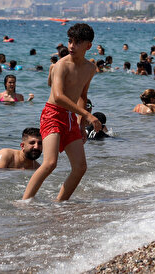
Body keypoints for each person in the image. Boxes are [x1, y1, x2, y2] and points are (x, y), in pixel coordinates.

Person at [23, 23, 101, 201]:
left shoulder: (90, 68)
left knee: (80, 167)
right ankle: (24, 201)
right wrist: (88, 115)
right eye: (70, 41)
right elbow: (58, 96)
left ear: (88, 46)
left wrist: (81, 123)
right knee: (50, 163)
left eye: (77, 42)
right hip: (52, 114)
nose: (72, 46)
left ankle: (60, 203)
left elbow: (82, 95)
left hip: (71, 117)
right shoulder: (61, 65)